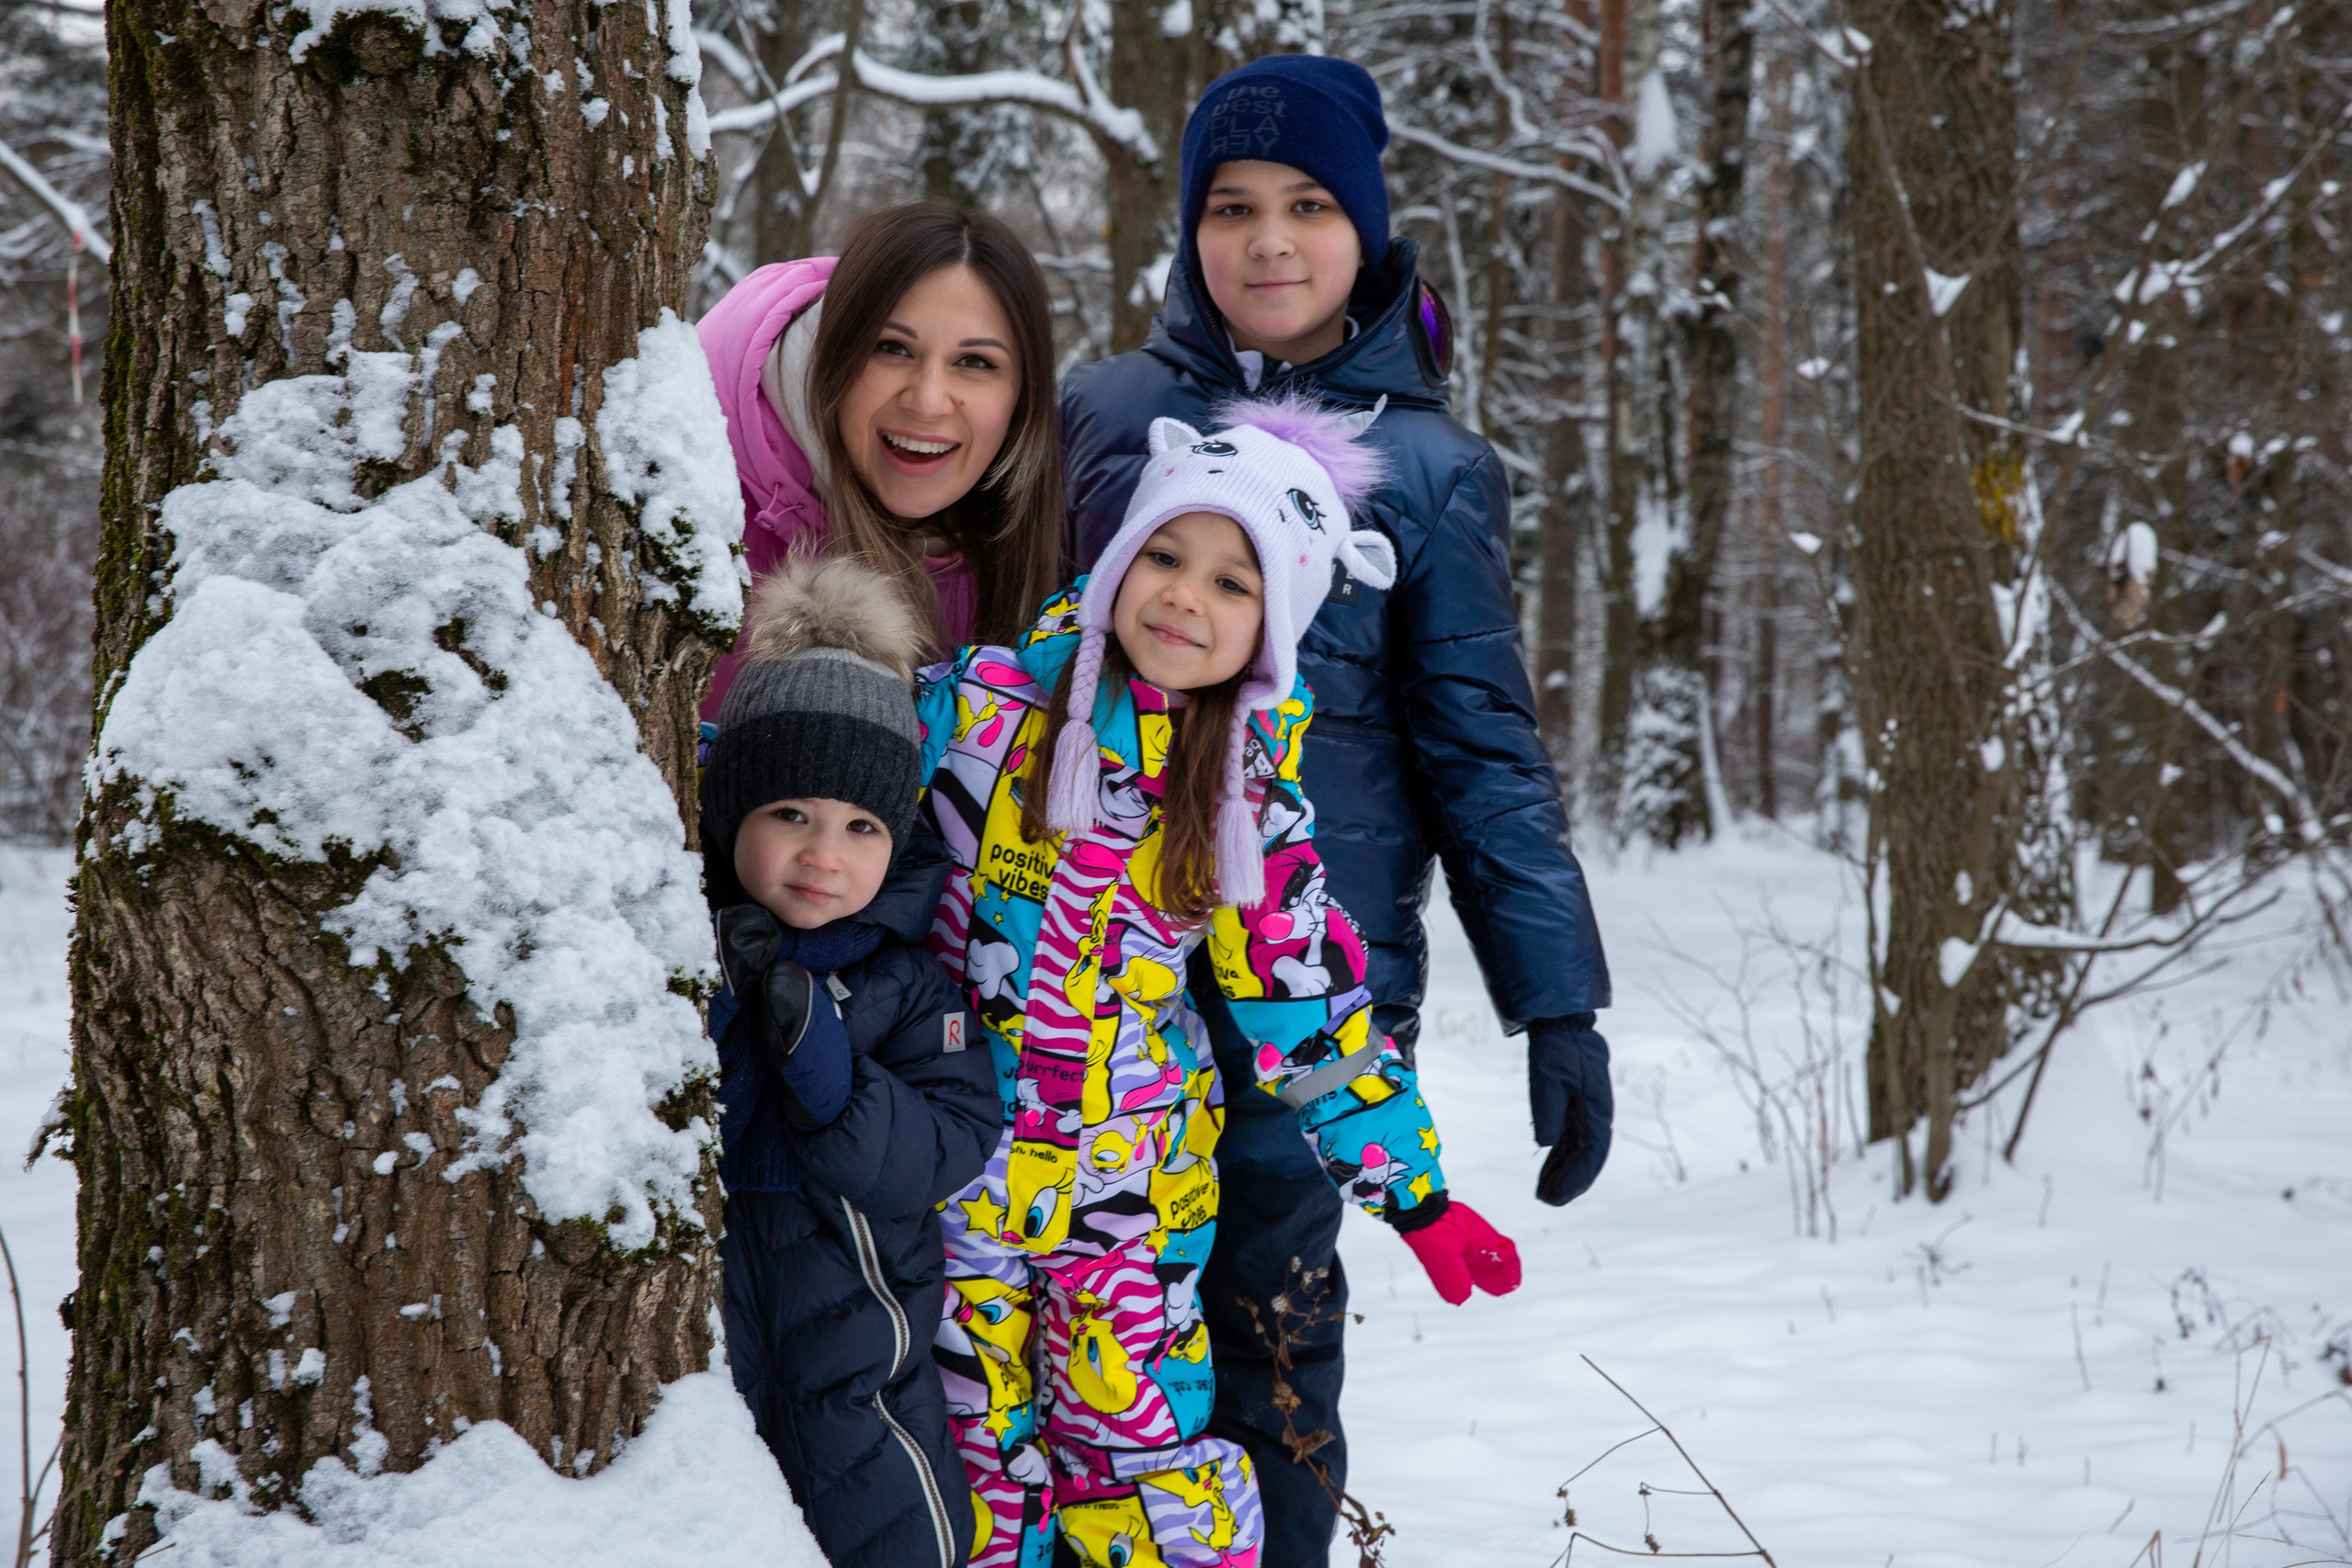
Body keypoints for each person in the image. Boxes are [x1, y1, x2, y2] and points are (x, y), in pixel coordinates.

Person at [1057, 53, 1616, 1563]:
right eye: (1231, 208)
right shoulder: (1106, 415)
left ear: (1366, 228)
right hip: (1095, 1010)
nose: (1270, 241)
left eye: (1309, 206)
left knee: (1271, 1344)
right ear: (1190, 232)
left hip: (1322, 1001)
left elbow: (1483, 751)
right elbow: (1011, 671)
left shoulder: (1431, 468)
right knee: (1088, 1356)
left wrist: (1555, 1004)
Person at [916, 397, 1523, 1568]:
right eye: (1165, 554)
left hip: (1129, 1198)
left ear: (1275, 626)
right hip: (957, 1170)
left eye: (1233, 584)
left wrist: (1417, 1196)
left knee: (1137, 1466)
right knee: (975, 1468)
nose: (1185, 596)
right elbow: (833, 803)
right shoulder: (979, 710)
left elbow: (1309, 1020)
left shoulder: (1249, 805)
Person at [700, 553, 1002, 1568]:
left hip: (858, 1360)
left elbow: (948, 1142)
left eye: (860, 826)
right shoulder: (676, 944)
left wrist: (823, 1055)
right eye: (789, 815)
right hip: (714, 1341)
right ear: (732, 810)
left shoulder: (911, 986)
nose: (822, 854)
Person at [695, 198, 1066, 716]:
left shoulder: (1030, 556)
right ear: (834, 352)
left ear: (1022, 398)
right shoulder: (704, 511)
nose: (928, 400)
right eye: (893, 348)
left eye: (975, 362)